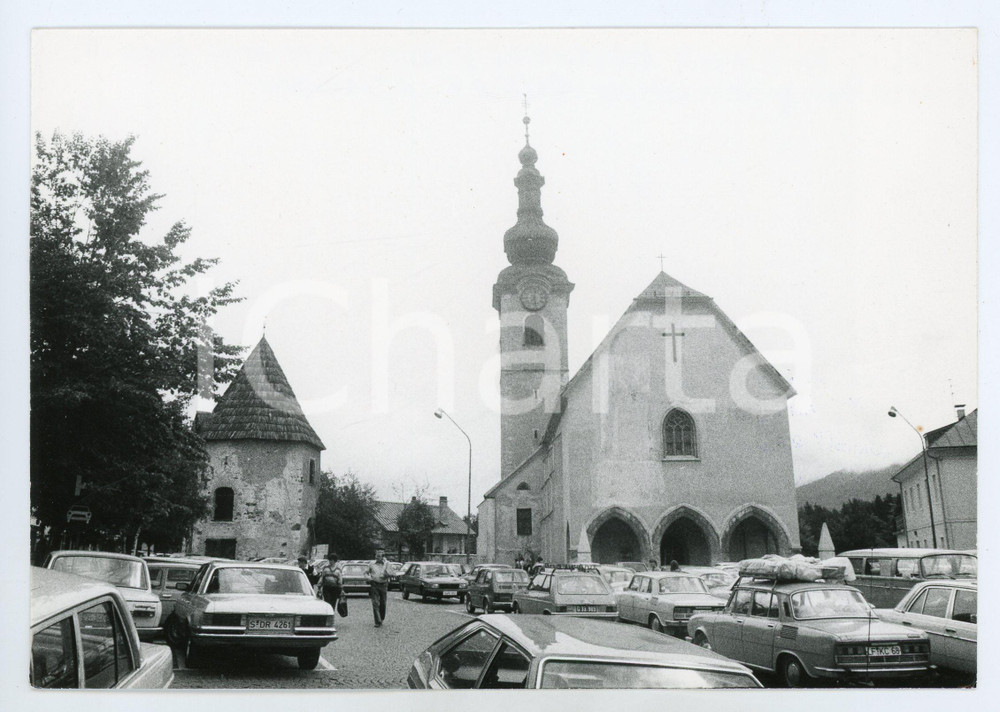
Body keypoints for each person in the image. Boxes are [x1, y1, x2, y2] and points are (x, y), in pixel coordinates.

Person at [366, 548, 390, 627]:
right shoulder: (371, 564)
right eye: (376, 556)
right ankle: (377, 621)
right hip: (374, 585)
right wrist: (368, 577)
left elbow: (392, 573)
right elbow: (366, 573)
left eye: (378, 556)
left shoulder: (387, 564)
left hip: (383, 585)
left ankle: (381, 618)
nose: (376, 557)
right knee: (375, 603)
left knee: (383, 603)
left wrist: (387, 575)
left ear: (382, 557)